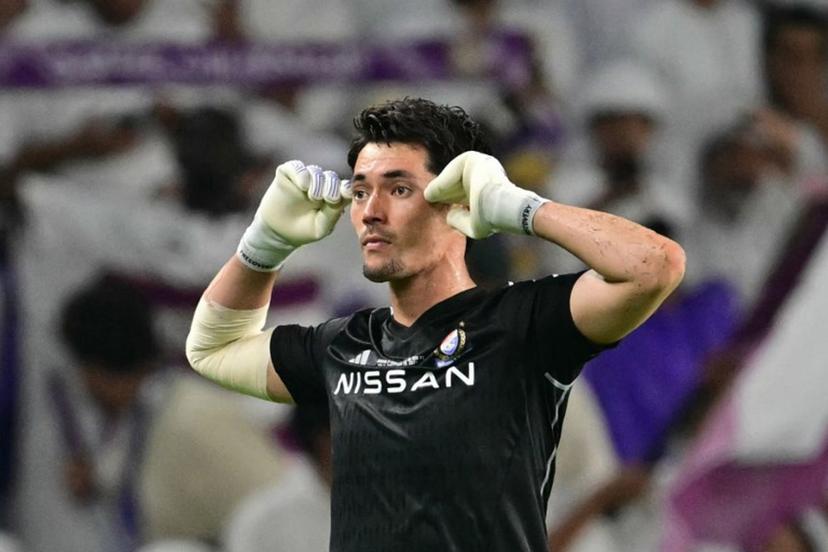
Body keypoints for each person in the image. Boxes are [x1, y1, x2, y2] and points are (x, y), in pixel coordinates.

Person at [186, 97, 685, 551]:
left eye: (399, 189)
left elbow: (654, 267)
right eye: (361, 192)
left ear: (457, 205)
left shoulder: (523, 325)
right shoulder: (345, 344)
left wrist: (520, 208)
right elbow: (213, 350)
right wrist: (265, 244)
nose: (371, 212)